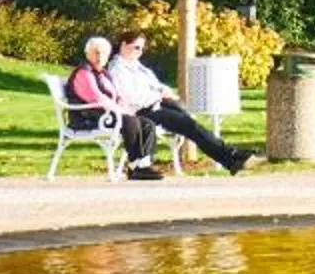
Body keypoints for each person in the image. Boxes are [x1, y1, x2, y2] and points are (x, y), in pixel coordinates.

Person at [106, 30, 256, 176]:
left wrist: (166, 92)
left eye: (142, 48)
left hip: (156, 106)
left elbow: (155, 84)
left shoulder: (136, 66)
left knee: (192, 125)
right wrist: (158, 95)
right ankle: (230, 156)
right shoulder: (117, 68)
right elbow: (130, 97)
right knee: (190, 126)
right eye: (136, 47)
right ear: (124, 45)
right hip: (141, 113)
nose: (139, 52)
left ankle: (230, 157)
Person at [65, 36, 155, 172]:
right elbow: (97, 98)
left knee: (146, 124)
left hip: (105, 114)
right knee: (129, 122)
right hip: (87, 118)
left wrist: (123, 107)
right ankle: (135, 165)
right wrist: (121, 111)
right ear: (87, 54)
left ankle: (144, 165)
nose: (99, 56)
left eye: (103, 53)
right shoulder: (84, 73)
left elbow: (115, 96)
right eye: (96, 52)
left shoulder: (104, 74)